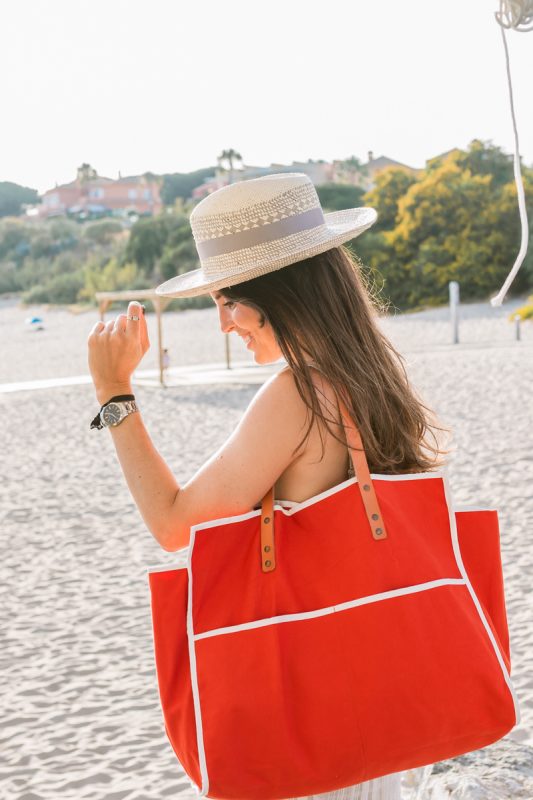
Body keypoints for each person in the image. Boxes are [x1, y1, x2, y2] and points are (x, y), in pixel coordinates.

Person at [87, 173, 448, 800]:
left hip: (319, 722)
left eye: (229, 300)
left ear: (281, 293)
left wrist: (114, 394)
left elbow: (174, 525)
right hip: (378, 699)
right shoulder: (371, 372)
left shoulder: (298, 393)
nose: (225, 324)